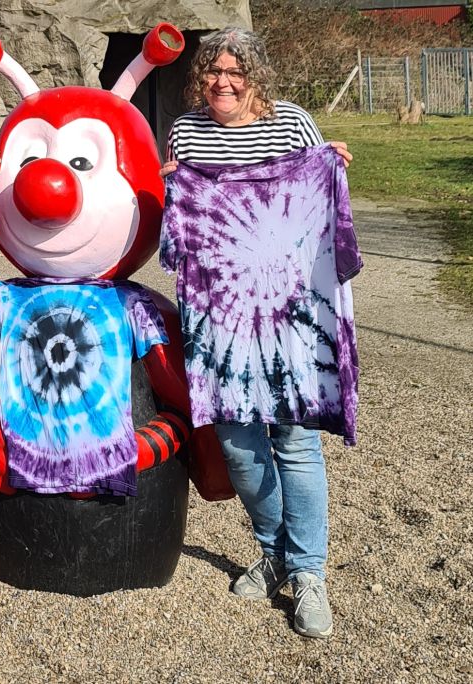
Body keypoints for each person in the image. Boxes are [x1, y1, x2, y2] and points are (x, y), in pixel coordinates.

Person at [160, 27, 357, 640]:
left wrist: (332, 167)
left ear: (254, 75)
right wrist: (174, 188)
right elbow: (181, 230)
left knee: (294, 440)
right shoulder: (187, 130)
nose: (222, 81)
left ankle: (309, 571)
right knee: (238, 443)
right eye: (214, 71)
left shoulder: (295, 123)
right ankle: (273, 552)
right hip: (219, 310)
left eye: (234, 71)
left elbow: (317, 201)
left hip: (289, 308)